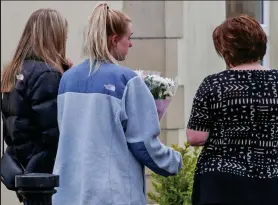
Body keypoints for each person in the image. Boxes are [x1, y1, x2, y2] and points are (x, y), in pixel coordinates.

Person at [52, 3, 182, 205]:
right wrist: (174, 162)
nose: (131, 44)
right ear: (114, 39)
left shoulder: (67, 79)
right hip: (113, 194)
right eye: (128, 38)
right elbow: (143, 144)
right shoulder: (127, 80)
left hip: (69, 193)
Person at [186, 14, 278, 205]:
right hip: (272, 179)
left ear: (227, 51)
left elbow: (196, 137)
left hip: (221, 181)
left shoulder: (214, 84)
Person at [1, 8, 71, 199]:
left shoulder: (14, 71)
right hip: (43, 176)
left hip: (23, 168)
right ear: (53, 37)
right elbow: (54, 132)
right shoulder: (47, 74)